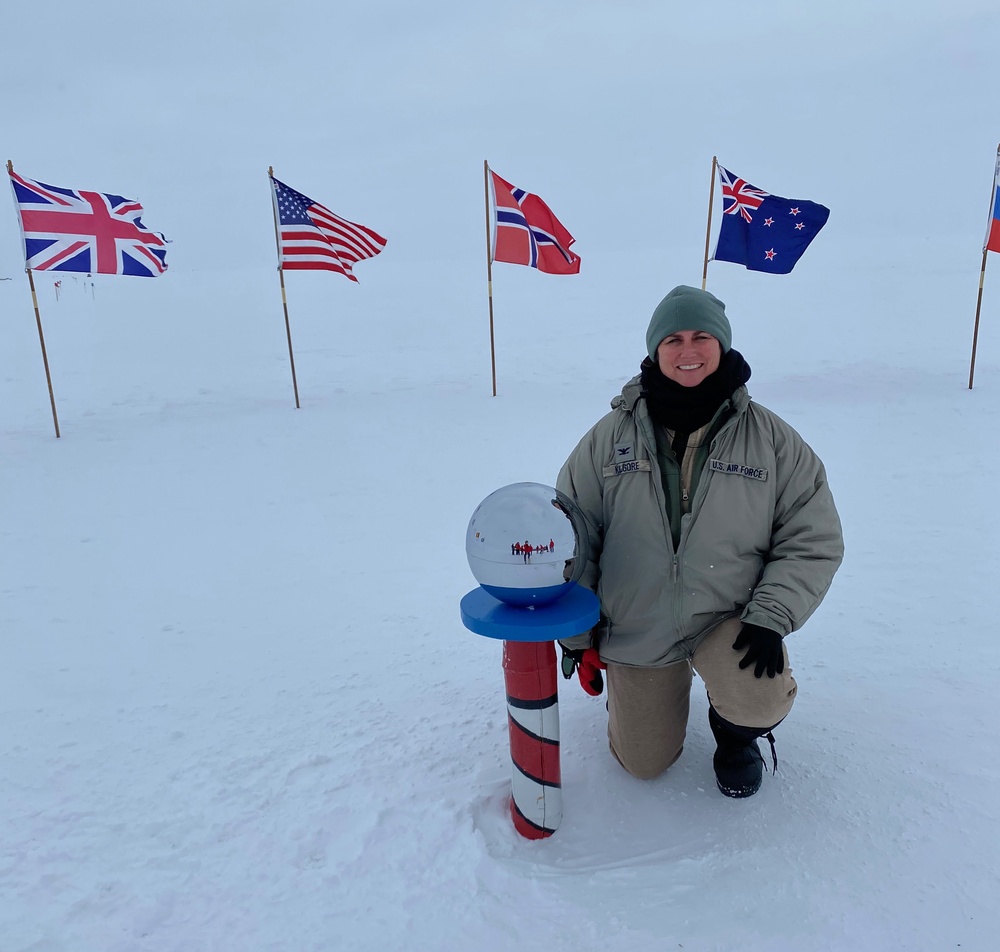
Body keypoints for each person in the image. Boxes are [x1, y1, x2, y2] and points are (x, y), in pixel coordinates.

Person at [556, 285, 844, 798]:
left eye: (701, 337)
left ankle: (735, 737)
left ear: (723, 345)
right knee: (642, 765)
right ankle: (636, 696)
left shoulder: (772, 440)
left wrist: (771, 615)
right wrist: (578, 634)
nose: (688, 351)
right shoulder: (608, 437)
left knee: (758, 697)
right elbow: (574, 535)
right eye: (673, 339)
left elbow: (812, 536)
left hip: (728, 616)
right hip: (637, 621)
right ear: (654, 350)